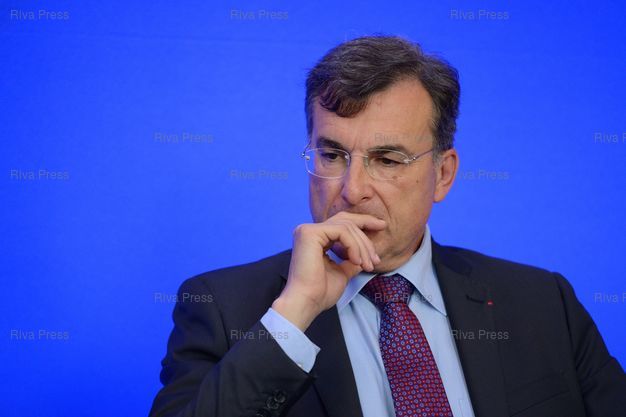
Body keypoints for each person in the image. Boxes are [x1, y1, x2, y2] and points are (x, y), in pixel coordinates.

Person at [149, 35, 626, 417]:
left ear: (443, 174)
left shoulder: (544, 303)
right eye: (332, 155)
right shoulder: (224, 310)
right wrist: (294, 314)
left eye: (387, 159)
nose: (352, 190)